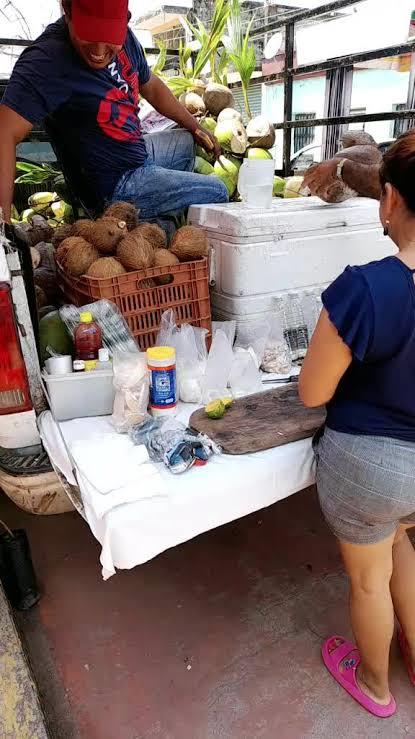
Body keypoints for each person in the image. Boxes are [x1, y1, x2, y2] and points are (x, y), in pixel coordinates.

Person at [299, 130, 415, 719]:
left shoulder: (365, 287)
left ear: (389, 200)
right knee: (404, 545)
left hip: (372, 468)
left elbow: (313, 391)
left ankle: (374, 684)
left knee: (370, 579)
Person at [0, 0, 228, 224]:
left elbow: (152, 87)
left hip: (137, 157)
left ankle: (156, 217)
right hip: (114, 186)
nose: (99, 52)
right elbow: (4, 133)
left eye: (109, 38)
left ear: (124, 20)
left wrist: (195, 126)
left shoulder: (127, 38)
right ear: (67, 10)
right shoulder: (47, 60)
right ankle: (133, 222)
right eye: (89, 35)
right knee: (218, 191)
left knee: (185, 143)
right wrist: (3, 226)